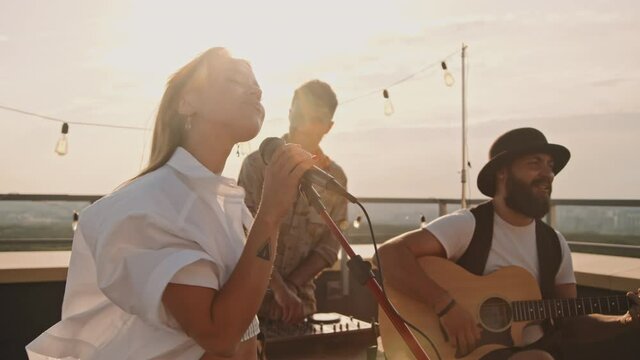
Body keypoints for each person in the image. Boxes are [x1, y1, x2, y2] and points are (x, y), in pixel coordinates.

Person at [26, 47, 316, 360]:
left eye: (257, 84)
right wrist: (270, 215)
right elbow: (218, 334)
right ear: (187, 102)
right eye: (235, 79)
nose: (257, 89)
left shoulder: (226, 205)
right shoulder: (148, 207)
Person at [378, 127, 640, 360]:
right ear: (502, 173)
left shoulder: (554, 244)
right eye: (534, 163)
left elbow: (571, 321)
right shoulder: (468, 226)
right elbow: (389, 255)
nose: (548, 173)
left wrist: (625, 321)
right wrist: (445, 306)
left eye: (550, 165)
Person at [238, 80, 347, 324]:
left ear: (328, 127)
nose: (305, 125)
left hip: (299, 307)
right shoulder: (256, 166)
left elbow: (329, 248)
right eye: (300, 114)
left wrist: (290, 288)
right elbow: (243, 232)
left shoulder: (335, 179)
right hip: (248, 306)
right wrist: (278, 289)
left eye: (316, 119)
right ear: (289, 113)